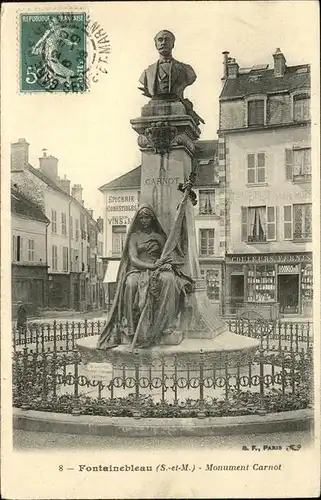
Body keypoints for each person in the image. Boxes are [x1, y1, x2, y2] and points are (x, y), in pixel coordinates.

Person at [97, 205, 193, 350]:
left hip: (158, 268)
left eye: (147, 217)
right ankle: (130, 325)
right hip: (138, 269)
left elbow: (167, 256)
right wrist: (151, 267)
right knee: (130, 284)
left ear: (152, 218)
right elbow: (133, 259)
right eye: (141, 217)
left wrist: (165, 265)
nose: (144, 220)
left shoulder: (160, 237)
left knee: (169, 280)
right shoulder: (134, 236)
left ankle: (166, 323)